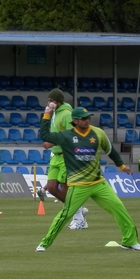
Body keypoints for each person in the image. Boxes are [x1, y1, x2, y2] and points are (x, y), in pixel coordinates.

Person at [36, 106, 140, 252]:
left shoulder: (98, 133)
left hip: (98, 183)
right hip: (78, 185)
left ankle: (130, 241)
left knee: (119, 208)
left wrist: (122, 166)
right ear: (75, 121)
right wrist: (47, 115)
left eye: (88, 118)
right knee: (65, 215)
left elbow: (110, 150)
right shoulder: (67, 136)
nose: (87, 121)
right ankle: (44, 243)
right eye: (83, 119)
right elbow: (45, 135)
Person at [40, 88, 88, 230]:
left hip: (65, 156)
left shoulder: (67, 114)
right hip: (55, 156)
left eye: (51, 101)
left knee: (67, 188)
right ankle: (78, 208)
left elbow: (71, 135)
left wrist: (53, 142)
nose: (49, 103)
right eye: (48, 100)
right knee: (52, 188)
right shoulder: (54, 114)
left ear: (58, 101)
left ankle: (79, 218)